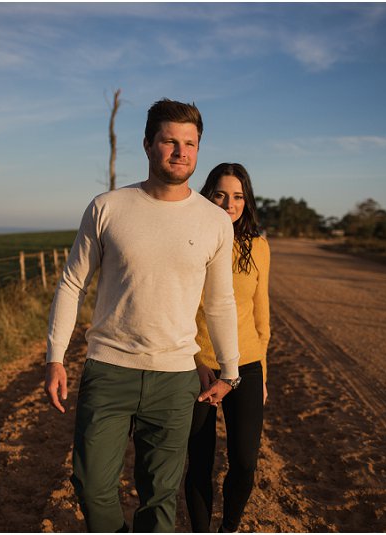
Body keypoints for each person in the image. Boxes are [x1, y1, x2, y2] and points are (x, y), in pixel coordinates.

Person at [44, 99, 242, 533]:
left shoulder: (214, 221)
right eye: (170, 141)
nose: (181, 152)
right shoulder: (108, 207)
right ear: (148, 144)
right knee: (90, 484)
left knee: (159, 498)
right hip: (108, 370)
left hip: (174, 380)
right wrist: (55, 358)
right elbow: (71, 284)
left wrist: (230, 370)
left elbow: (220, 301)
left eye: (190, 143)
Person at [184, 163, 271, 533]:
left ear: (246, 200)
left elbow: (262, 318)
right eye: (220, 194)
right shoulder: (190, 240)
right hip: (198, 367)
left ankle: (229, 529)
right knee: (199, 464)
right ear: (208, 196)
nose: (229, 203)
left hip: (247, 366)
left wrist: (263, 373)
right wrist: (193, 358)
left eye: (237, 196)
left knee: (245, 463)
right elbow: (177, 308)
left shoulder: (259, 247)